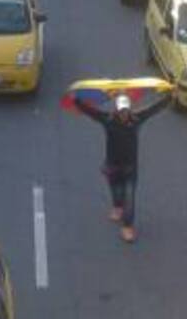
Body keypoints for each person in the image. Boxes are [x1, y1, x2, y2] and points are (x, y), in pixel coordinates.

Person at [72, 91, 171, 243]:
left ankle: (127, 226)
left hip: (130, 167)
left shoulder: (137, 118)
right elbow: (91, 112)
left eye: (126, 110)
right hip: (112, 165)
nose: (124, 113)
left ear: (129, 109)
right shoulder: (108, 119)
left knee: (129, 198)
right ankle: (117, 206)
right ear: (117, 110)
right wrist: (78, 102)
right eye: (121, 110)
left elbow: (153, 109)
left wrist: (169, 97)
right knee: (117, 192)